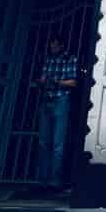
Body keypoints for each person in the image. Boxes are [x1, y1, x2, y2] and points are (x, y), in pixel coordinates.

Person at [34, 36, 79, 191]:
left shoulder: (69, 59)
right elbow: (43, 77)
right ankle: (42, 180)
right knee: (43, 142)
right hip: (47, 99)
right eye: (51, 46)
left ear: (61, 45)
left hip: (61, 100)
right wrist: (42, 81)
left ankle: (55, 180)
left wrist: (56, 82)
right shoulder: (49, 59)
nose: (52, 48)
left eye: (54, 46)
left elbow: (73, 82)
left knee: (58, 143)